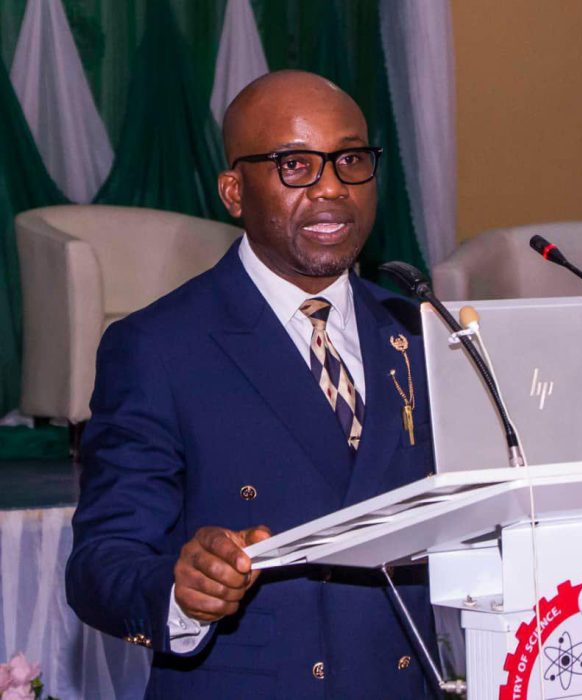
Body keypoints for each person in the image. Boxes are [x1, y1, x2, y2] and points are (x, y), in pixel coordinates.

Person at [66, 70, 438, 699]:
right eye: (295, 165)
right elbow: (101, 564)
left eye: (350, 160)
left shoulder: (418, 331)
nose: (332, 187)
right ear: (234, 192)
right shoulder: (158, 347)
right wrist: (182, 590)